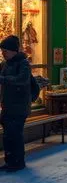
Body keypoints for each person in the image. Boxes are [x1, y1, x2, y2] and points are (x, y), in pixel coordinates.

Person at [0, 35, 31, 172]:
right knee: (8, 135)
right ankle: (10, 161)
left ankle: (18, 162)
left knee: (15, 135)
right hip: (7, 105)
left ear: (13, 51)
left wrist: (3, 79)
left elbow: (22, 80)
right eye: (2, 51)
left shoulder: (23, 63)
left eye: (5, 51)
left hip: (19, 106)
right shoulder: (5, 64)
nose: (3, 53)